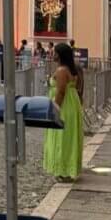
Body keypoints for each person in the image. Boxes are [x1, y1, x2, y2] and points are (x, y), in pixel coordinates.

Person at [43, 43, 84, 181]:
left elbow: (61, 92)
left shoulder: (61, 70)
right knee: (69, 138)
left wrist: (55, 109)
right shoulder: (72, 69)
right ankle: (67, 168)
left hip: (64, 107)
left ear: (60, 55)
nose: (52, 54)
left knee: (61, 138)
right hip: (72, 105)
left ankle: (63, 170)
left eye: (54, 52)